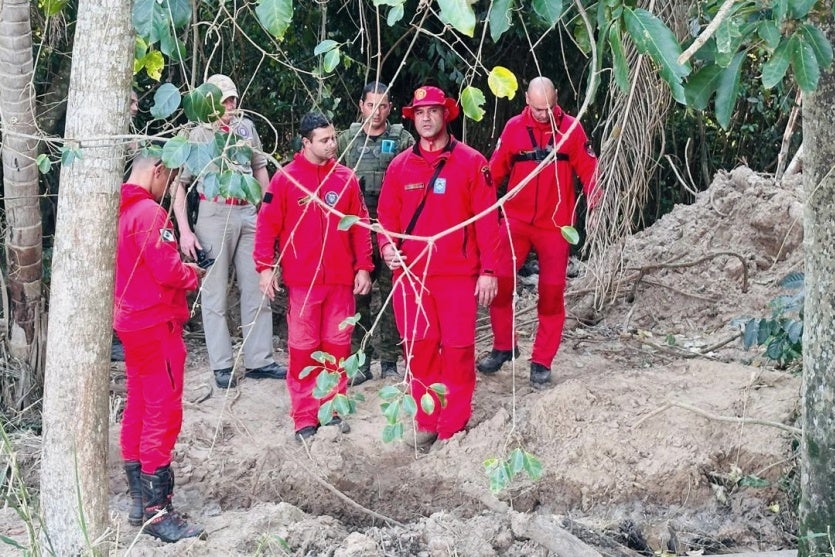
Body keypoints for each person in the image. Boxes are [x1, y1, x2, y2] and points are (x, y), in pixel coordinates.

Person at [376, 85, 499, 450]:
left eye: (433, 111)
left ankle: (453, 423)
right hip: (411, 276)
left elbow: (488, 221)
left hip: (458, 276)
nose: (426, 118)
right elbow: (385, 218)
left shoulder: (472, 162)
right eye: (419, 112)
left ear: (446, 114)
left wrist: (489, 271)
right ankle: (428, 419)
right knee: (419, 348)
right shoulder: (400, 166)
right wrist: (386, 247)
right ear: (412, 118)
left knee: (459, 350)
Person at [253, 112, 374, 442]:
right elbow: (267, 226)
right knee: (304, 348)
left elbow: (359, 225)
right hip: (302, 282)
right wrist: (265, 266)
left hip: (339, 280)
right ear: (305, 143)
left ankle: (333, 409)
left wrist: (364, 266)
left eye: (333, 137)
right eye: (324, 140)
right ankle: (305, 416)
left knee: (337, 347)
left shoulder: (345, 178)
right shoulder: (286, 180)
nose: (332, 144)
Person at [477, 76, 599, 385]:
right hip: (515, 219)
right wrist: (480, 206)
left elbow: (589, 170)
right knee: (499, 281)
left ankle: (542, 361)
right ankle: (504, 346)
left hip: (555, 224)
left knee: (551, 292)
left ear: (557, 97)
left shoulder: (572, 127)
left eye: (549, 108)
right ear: (526, 103)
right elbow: (494, 172)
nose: (544, 114)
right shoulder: (514, 128)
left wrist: (597, 201)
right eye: (537, 109)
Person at [173, 74, 285, 389]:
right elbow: (178, 186)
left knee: (256, 286)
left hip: (248, 210)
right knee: (214, 292)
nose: (229, 106)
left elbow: (260, 168)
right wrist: (185, 231)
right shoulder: (196, 136)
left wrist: (268, 213)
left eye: (232, 99)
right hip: (213, 212)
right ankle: (222, 365)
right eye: (223, 100)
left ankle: (259, 360)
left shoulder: (246, 128)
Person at [114, 153, 205, 542]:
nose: (170, 187)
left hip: (132, 322)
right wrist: (192, 274)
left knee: (138, 403)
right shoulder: (149, 213)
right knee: (162, 410)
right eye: (168, 178)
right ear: (156, 170)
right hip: (155, 322)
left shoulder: (119, 210)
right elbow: (167, 269)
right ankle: (157, 511)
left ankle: (139, 499)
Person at [337, 81, 415, 385]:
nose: (377, 111)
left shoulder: (402, 139)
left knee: (391, 295)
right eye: (371, 105)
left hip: (392, 227)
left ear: (390, 108)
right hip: (356, 228)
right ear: (361, 105)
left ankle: (389, 360)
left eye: (383, 105)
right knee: (358, 296)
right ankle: (360, 360)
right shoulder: (346, 140)